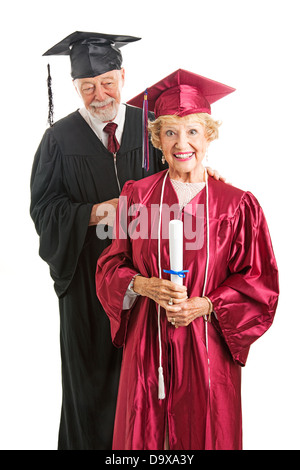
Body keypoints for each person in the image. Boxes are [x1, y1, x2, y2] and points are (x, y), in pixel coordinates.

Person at [95, 69, 279, 450]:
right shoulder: (138, 197)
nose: (183, 143)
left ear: (208, 136)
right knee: (142, 435)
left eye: (193, 131)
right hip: (148, 346)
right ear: (157, 140)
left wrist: (207, 304)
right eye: (171, 132)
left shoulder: (236, 205)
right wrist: (142, 285)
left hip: (207, 347)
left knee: (206, 432)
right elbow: (110, 266)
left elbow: (258, 282)